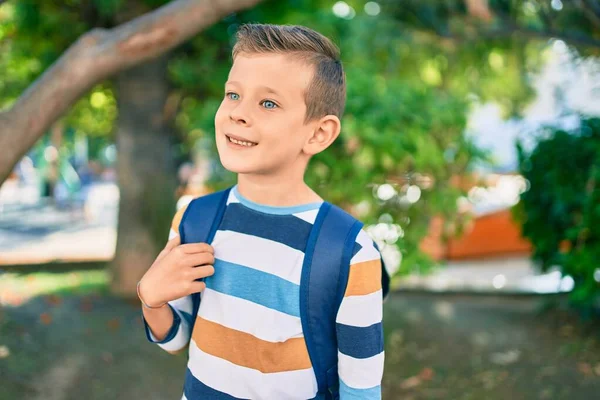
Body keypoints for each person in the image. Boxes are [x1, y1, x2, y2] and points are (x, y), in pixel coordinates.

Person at [138, 24, 384, 399]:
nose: (238, 113)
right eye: (233, 94)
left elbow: (361, 390)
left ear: (318, 134)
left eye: (268, 103)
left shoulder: (350, 252)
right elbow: (175, 339)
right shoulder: (195, 218)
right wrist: (151, 298)